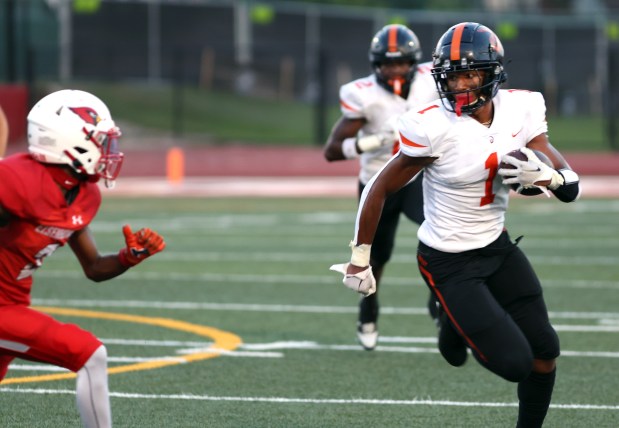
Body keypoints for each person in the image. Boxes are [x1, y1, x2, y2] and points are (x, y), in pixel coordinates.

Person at [332, 22, 580, 427]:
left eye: (469, 74)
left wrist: (550, 178)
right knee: (513, 363)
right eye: (451, 76)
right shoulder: (432, 126)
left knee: (545, 352)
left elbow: (569, 184)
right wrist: (360, 258)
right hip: (448, 261)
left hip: (497, 248)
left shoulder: (522, 108)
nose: (460, 85)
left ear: (492, 72)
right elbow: (377, 188)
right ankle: (451, 322)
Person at [0, 89, 166, 428]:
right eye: (101, 141)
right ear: (68, 142)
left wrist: (128, 257)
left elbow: (93, 268)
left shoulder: (83, 194)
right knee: (91, 355)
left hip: (14, 301)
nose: (109, 151)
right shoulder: (15, 181)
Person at [324, 24, 439, 350]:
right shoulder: (362, 94)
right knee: (378, 255)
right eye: (388, 63)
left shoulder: (433, 81)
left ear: (413, 62)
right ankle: (369, 306)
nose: (395, 69)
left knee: (442, 237)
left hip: (419, 178)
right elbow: (332, 151)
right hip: (379, 182)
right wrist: (372, 142)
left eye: (401, 63)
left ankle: (439, 298)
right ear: (376, 64)